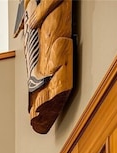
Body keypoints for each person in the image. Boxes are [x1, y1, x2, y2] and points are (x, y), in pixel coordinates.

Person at [14, 0, 73, 134]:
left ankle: (42, 81)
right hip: (40, 52)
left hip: (54, 38)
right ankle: (36, 83)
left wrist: (42, 9)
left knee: (56, 51)